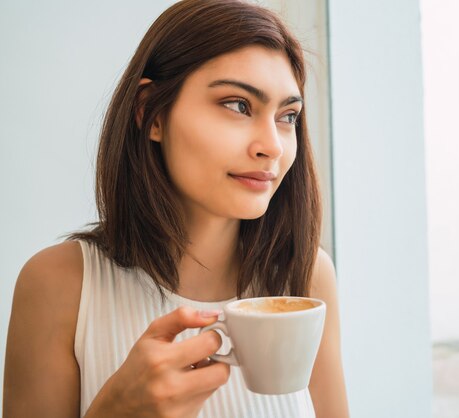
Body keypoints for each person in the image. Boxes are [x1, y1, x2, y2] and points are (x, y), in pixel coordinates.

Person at [3, 0, 349, 416]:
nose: (272, 146)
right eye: (238, 105)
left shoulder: (307, 276)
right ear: (151, 113)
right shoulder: (58, 285)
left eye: (288, 115)